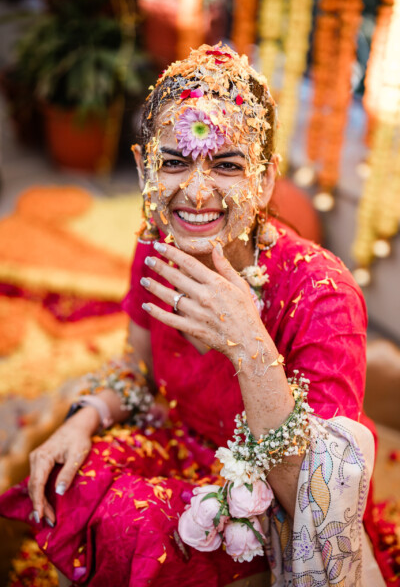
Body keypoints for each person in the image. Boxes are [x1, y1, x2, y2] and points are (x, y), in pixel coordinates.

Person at [0, 44, 386, 587]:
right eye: (173, 162)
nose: (196, 191)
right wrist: (82, 417)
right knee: (80, 484)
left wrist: (248, 342)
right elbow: (136, 366)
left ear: (268, 180)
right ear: (142, 168)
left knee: (173, 535)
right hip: (179, 443)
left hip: (278, 493)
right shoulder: (157, 245)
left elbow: (314, 507)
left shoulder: (321, 293)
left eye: (227, 164)